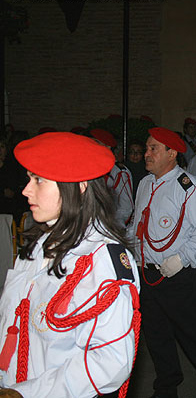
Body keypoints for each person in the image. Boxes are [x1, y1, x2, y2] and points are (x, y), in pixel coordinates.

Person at [0, 132, 140, 397]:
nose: (26, 190)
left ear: (79, 186)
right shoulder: (38, 246)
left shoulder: (102, 260)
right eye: (30, 178)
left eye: (39, 180)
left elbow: (110, 361)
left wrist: (26, 393)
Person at [129, 127, 196, 398]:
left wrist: (182, 258)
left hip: (176, 275)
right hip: (147, 273)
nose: (147, 154)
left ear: (172, 153)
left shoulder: (188, 186)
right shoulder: (144, 183)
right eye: (147, 148)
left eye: (154, 149)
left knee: (192, 333)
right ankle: (167, 386)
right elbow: (136, 226)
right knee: (156, 335)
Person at [89, 129, 134, 228]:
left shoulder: (118, 172)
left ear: (107, 148)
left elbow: (125, 207)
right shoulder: (85, 168)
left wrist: (112, 227)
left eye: (95, 144)